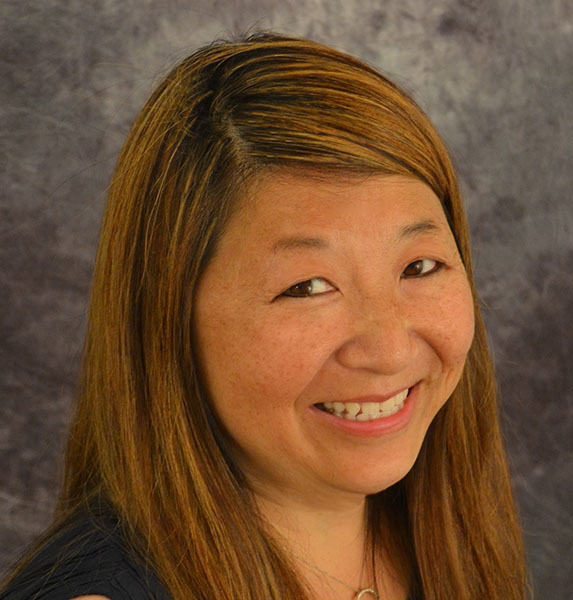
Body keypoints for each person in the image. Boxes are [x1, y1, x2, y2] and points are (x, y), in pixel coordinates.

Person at [0, 32, 527, 600]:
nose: (391, 349)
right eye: (307, 286)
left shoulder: (442, 539)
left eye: (420, 267)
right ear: (170, 319)